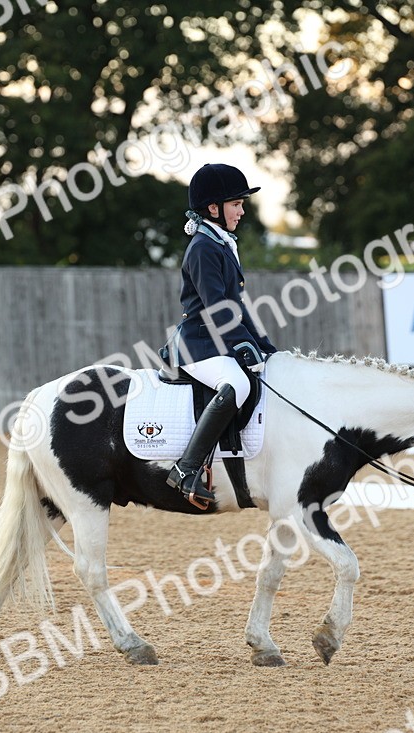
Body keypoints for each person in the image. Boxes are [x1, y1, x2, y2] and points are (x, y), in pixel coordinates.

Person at [163, 163, 277, 506]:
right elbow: (217, 308)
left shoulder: (222, 243)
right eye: (236, 204)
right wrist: (243, 347)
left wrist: (266, 347)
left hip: (215, 342)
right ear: (214, 208)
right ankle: (186, 469)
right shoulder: (202, 248)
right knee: (238, 385)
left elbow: (237, 306)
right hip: (197, 344)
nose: (242, 211)